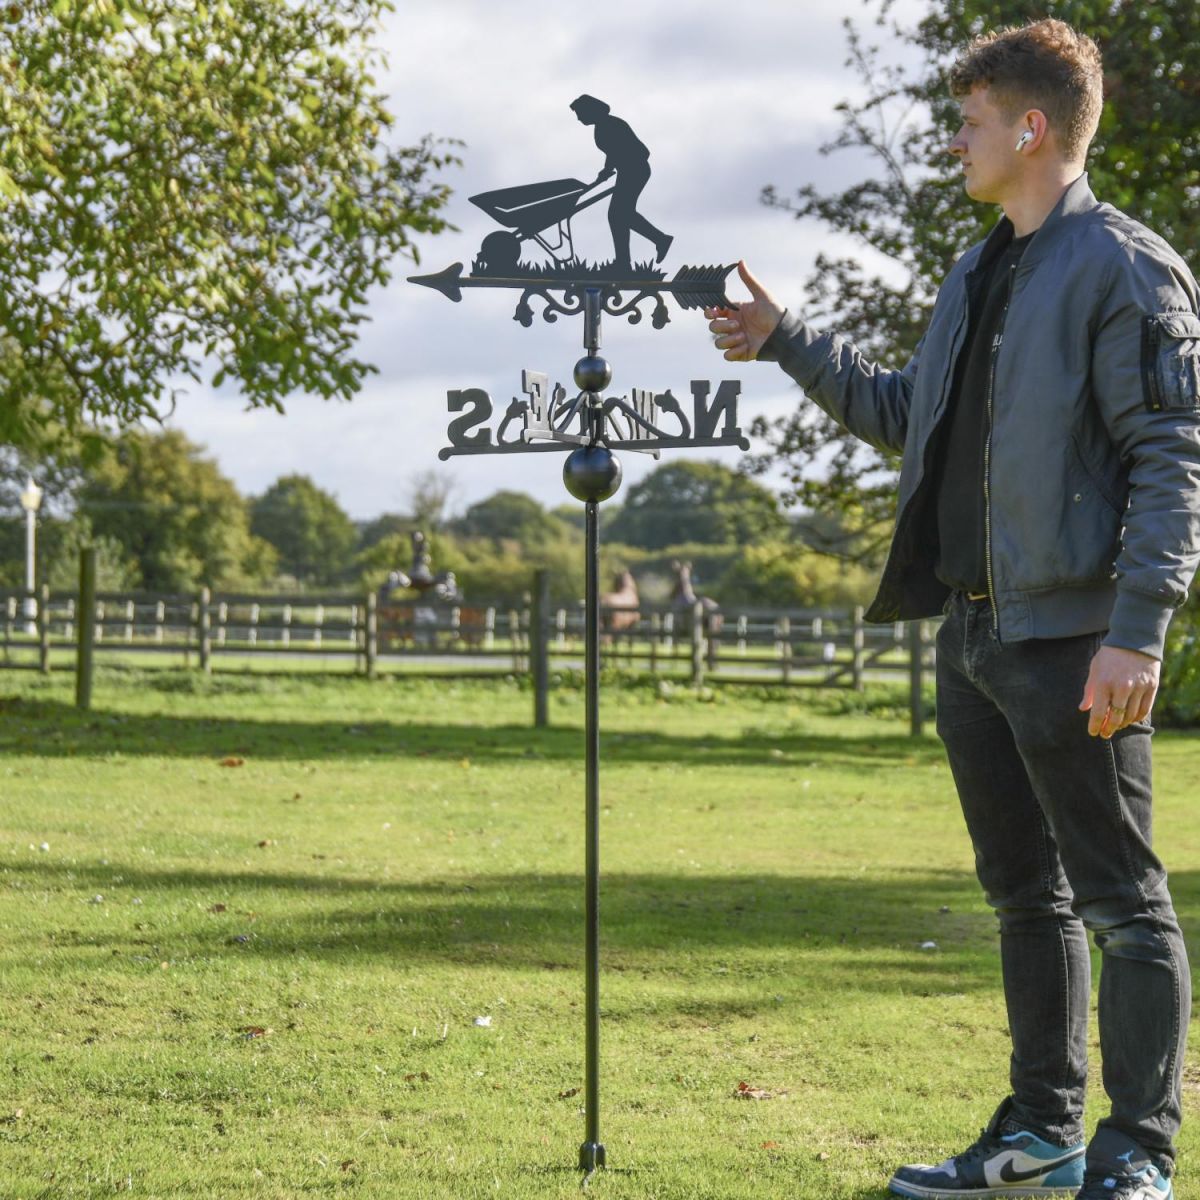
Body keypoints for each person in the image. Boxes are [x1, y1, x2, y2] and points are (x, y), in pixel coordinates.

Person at [706, 19, 1200, 1200]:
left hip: (1077, 640)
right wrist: (784, 344)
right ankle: (1042, 1131)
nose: (954, 140)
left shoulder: (1131, 270)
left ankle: (1138, 1153)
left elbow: (1175, 457)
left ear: (1031, 128)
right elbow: (905, 416)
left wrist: (1137, 631)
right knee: (1024, 900)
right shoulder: (979, 270)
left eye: (970, 121)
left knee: (1123, 903)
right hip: (973, 638)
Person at [569, 95, 673, 270]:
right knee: (620, 215)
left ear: (590, 110)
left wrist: (611, 168)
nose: (579, 118)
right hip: (628, 171)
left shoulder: (611, 125)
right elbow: (613, 151)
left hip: (635, 170)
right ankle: (646, 248)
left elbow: (629, 150)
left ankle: (633, 257)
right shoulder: (603, 126)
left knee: (618, 215)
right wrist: (607, 169)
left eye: (580, 113)